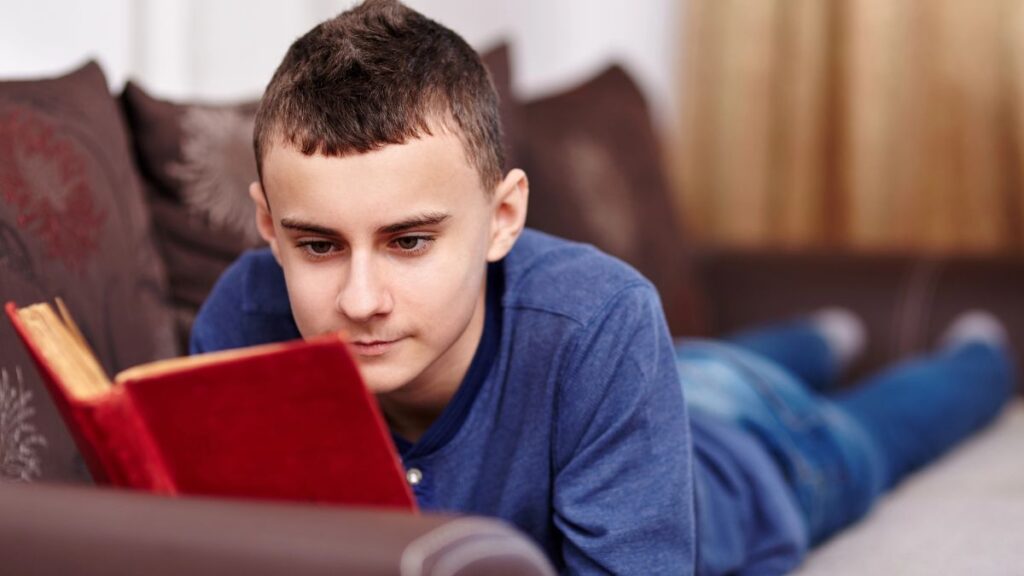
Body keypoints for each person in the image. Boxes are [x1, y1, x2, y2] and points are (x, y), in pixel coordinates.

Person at [190, 1, 1017, 573]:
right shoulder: (242, 321)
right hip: (652, 390)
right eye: (319, 245)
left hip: (745, 458)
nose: (361, 298)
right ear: (268, 225)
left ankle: (955, 352)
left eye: (410, 241)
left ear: (504, 216)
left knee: (869, 422)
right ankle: (812, 338)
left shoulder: (599, 320)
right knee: (707, 369)